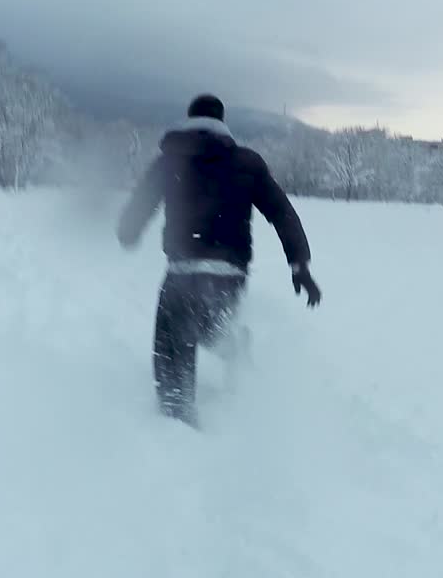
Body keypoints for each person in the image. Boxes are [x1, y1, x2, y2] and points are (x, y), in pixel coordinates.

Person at [117, 94, 321, 427]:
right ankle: (237, 358)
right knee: (215, 329)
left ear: (189, 120)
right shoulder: (246, 163)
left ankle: (177, 423)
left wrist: (128, 230)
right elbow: (283, 213)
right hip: (229, 274)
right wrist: (300, 266)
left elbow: (140, 203)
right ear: (222, 124)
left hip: (182, 273)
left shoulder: (170, 160)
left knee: (173, 349)